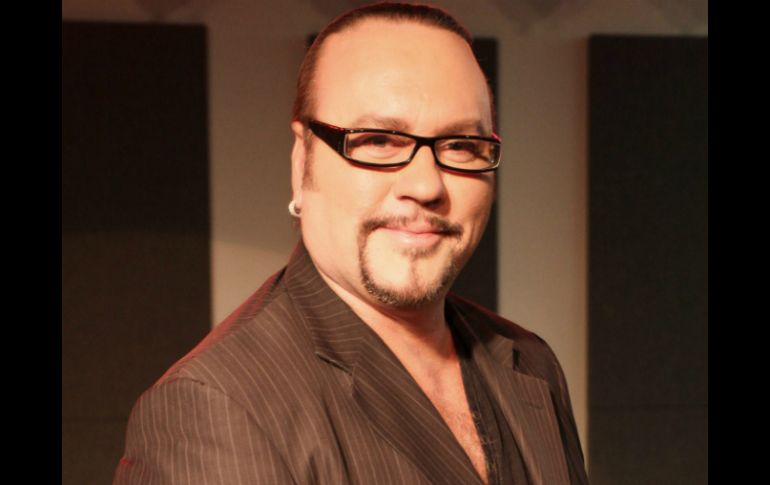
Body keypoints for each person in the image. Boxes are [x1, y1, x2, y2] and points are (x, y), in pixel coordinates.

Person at [113, 3, 588, 484]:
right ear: (302, 163)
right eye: (379, 141)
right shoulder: (215, 404)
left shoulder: (531, 361)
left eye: (461, 145)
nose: (426, 185)